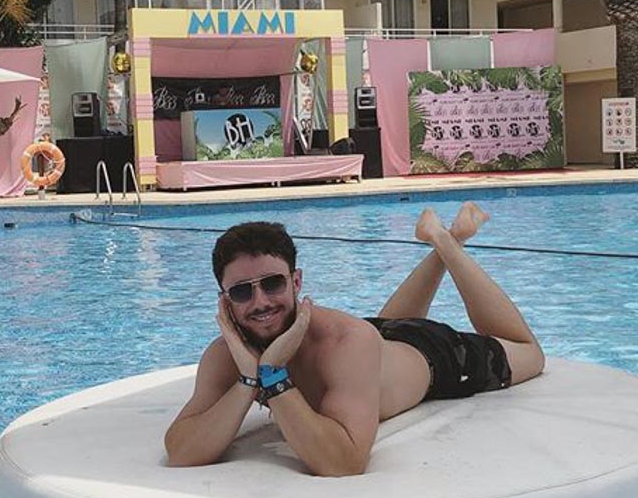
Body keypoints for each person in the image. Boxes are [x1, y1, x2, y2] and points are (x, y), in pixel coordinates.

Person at [164, 203, 545, 477]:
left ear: (296, 282)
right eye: (242, 292)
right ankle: (441, 236)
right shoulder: (227, 354)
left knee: (530, 353)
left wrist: (273, 377)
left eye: (273, 283)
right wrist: (250, 378)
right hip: (379, 338)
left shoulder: (345, 342)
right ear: (224, 300)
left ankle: (447, 242)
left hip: (432, 356)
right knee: (386, 326)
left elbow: (343, 462)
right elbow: (181, 450)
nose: (261, 302)